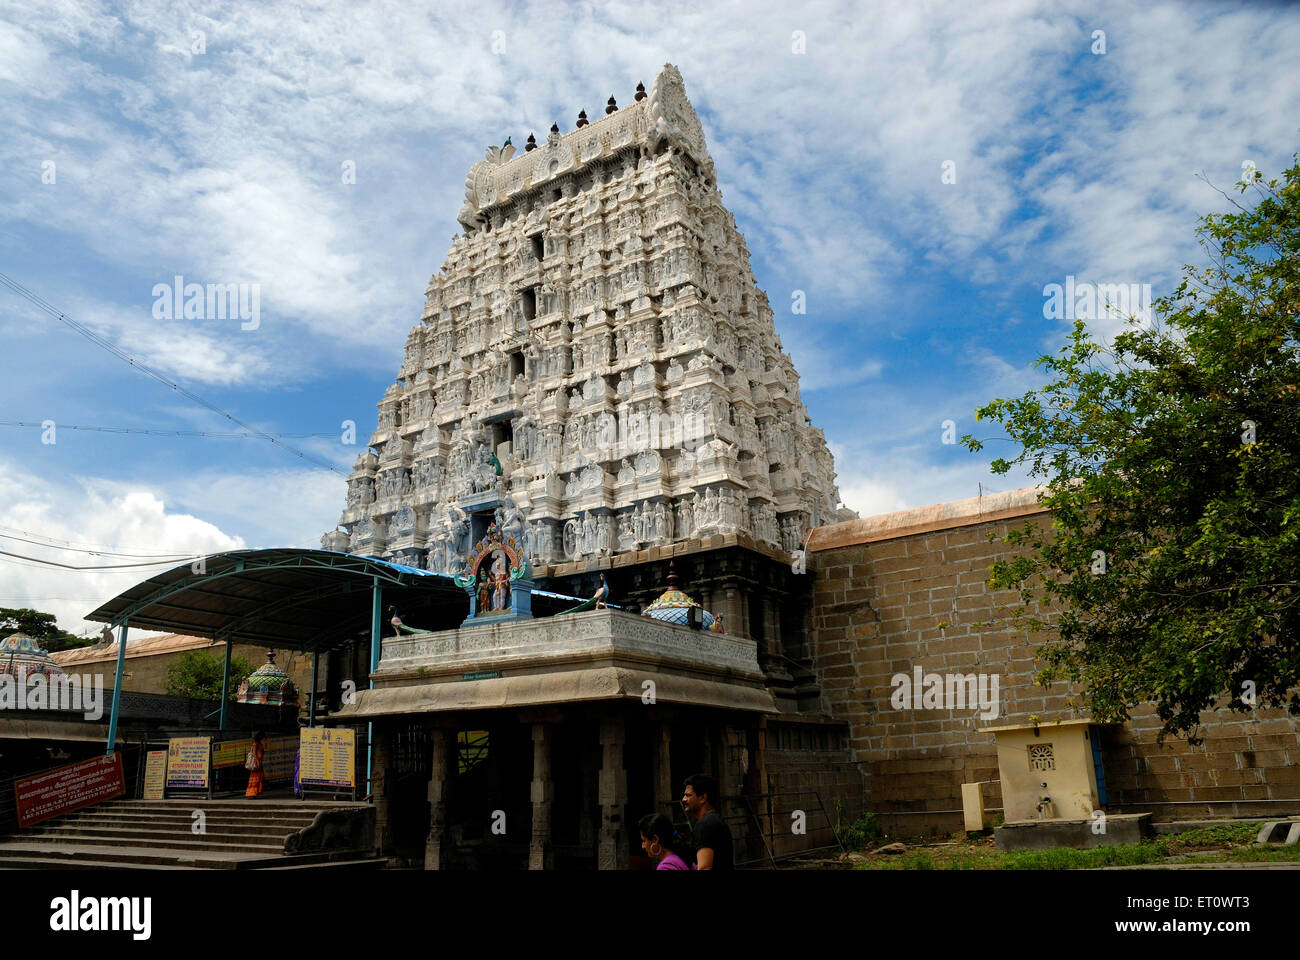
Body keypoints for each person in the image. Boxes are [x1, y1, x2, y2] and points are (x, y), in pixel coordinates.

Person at [682, 774, 733, 870]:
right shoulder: (714, 820)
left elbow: (704, 867)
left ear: (702, 798)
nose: (683, 799)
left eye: (688, 795)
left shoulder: (705, 825)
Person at [245, 731, 265, 798]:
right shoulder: (255, 744)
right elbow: (253, 753)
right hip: (256, 762)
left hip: (259, 762)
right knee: (255, 778)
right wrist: (257, 761)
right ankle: (251, 793)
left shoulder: (259, 744)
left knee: (259, 778)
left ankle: (256, 792)